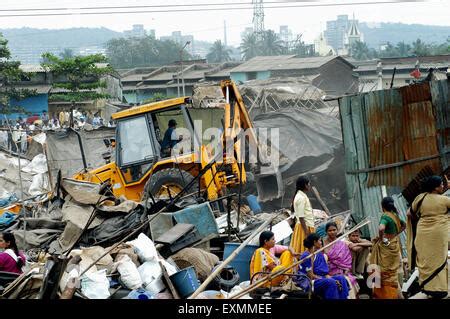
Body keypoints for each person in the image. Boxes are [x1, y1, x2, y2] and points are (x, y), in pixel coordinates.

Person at [408, 176, 450, 299]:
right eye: (442, 185)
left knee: (426, 260)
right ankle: (439, 289)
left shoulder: (420, 198)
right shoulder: (444, 200)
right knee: (439, 260)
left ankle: (426, 287)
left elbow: (409, 213)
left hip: (422, 234)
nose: (443, 186)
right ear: (436, 187)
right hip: (439, 234)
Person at [370, 196, 406, 299]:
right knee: (392, 272)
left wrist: (382, 238)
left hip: (386, 247)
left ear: (382, 206)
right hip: (394, 245)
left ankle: (383, 295)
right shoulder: (395, 215)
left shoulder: (385, 216)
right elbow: (404, 225)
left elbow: (381, 228)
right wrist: (394, 235)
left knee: (382, 271)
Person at [298, 233, 349, 299]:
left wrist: (329, 278)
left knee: (341, 278)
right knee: (330, 282)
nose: (321, 242)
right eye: (319, 240)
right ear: (314, 242)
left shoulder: (318, 253)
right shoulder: (306, 256)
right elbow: (310, 275)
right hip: (310, 281)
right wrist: (327, 279)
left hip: (321, 278)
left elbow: (325, 273)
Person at [290, 176, 315, 254]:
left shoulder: (301, 196)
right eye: (308, 184)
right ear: (305, 185)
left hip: (306, 225)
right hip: (304, 227)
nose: (309, 186)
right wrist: (307, 232)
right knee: (304, 250)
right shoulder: (301, 198)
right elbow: (301, 217)